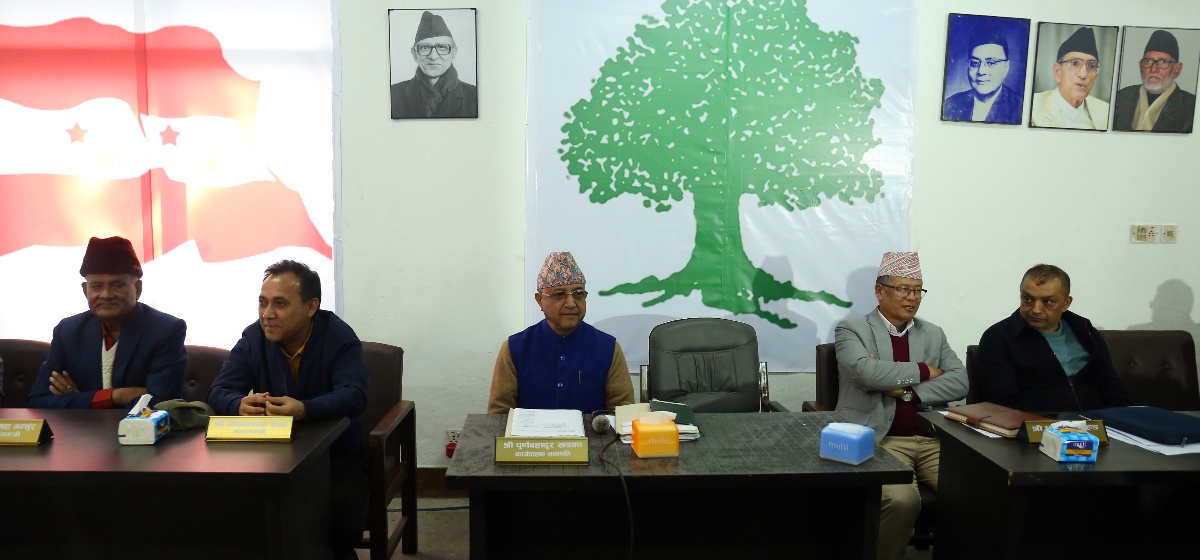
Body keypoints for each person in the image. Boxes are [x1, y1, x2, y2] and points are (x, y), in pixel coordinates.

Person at [207, 260, 368, 560]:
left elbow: (354, 395)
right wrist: (237, 404)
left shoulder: (338, 337)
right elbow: (219, 390)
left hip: (334, 454)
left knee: (341, 526)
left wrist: (305, 409)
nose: (267, 314)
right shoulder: (254, 337)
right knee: (236, 516)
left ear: (311, 307)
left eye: (280, 304)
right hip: (273, 453)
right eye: (262, 302)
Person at [834, 252, 967, 560]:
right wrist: (925, 370)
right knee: (902, 500)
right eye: (904, 289)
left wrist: (909, 393)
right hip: (880, 439)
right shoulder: (852, 329)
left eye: (918, 290)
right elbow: (866, 373)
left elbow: (960, 382)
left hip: (934, 439)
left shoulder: (932, 333)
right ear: (880, 291)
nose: (913, 298)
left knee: (978, 493)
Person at [27, 236, 186, 408]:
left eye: (117, 285)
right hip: (81, 427)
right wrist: (114, 396)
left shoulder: (166, 330)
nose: (106, 295)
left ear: (137, 289)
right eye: (96, 286)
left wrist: (78, 399)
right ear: (85, 290)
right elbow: (37, 401)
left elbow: (159, 402)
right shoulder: (68, 331)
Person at [488, 251, 634, 414]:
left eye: (579, 294)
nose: (571, 303)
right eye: (559, 294)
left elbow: (623, 414)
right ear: (540, 300)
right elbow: (499, 415)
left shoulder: (608, 348)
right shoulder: (515, 348)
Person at [975, 264, 1132, 412]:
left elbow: (1113, 391)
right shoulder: (999, 337)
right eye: (1028, 299)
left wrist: (1119, 421)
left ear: (1066, 303)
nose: (1036, 310)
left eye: (1047, 302)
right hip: (1038, 425)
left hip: (1098, 422)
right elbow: (1002, 406)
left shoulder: (1085, 331)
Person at [390, 10, 478, 119]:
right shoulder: (393, 94)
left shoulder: (475, 95)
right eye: (425, 47)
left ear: (453, 53)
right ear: (414, 54)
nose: (433, 56)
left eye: (442, 47)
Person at [1113, 30, 1196, 133]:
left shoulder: (1192, 107)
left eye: (1163, 62)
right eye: (1148, 61)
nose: (1153, 69)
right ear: (1140, 66)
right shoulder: (1121, 97)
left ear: (1177, 69)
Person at [1030, 27, 1109, 129]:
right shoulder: (1032, 109)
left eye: (1091, 66)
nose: (1083, 74)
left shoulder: (1106, 111)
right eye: (1074, 63)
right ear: (1058, 72)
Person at [943, 29, 1022, 124]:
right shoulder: (951, 104)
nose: (981, 71)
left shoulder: (1020, 107)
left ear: (1006, 67)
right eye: (975, 63)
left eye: (991, 63)